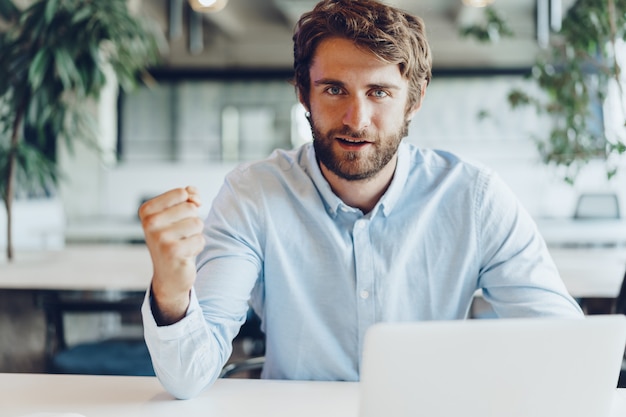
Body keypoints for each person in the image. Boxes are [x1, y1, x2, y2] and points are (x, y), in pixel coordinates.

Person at [139, 0, 583, 400]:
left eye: (379, 92)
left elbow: (568, 350)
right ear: (303, 94)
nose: (357, 119)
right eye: (334, 90)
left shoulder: (474, 198)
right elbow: (188, 377)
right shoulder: (253, 194)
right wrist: (173, 292)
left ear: (414, 100)